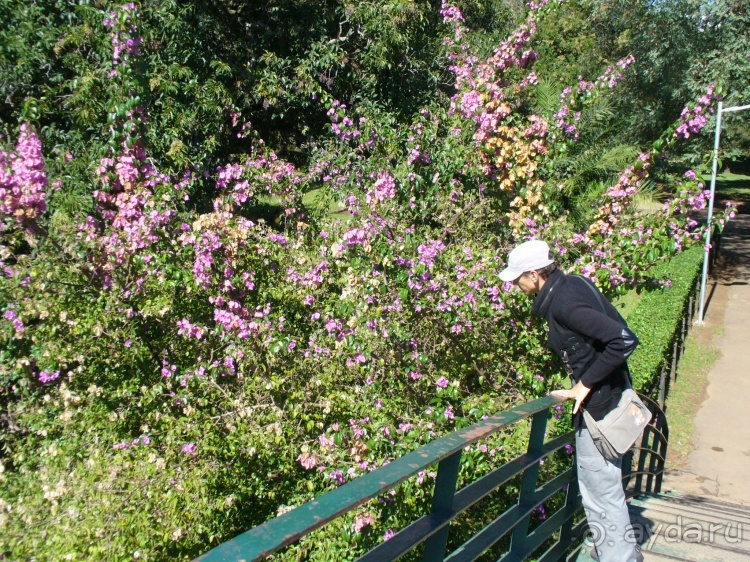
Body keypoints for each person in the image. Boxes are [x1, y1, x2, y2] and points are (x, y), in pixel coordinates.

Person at [500, 239, 643, 562]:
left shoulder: (564, 303)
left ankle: (619, 557)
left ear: (535, 275)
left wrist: (584, 385)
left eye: (517, 278)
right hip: (612, 399)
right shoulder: (573, 284)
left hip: (600, 412)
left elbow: (623, 340)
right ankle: (617, 551)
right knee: (604, 490)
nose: (514, 285)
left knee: (600, 492)